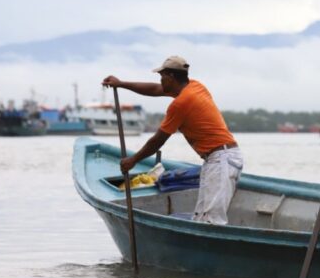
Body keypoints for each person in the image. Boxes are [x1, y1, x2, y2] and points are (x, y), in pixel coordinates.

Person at [102, 55, 243, 225]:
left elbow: (157, 141)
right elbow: (154, 90)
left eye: (162, 77)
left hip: (222, 160)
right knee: (200, 219)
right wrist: (122, 84)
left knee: (212, 221)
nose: (160, 81)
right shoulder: (195, 86)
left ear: (171, 77)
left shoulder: (182, 103)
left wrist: (133, 160)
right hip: (217, 158)